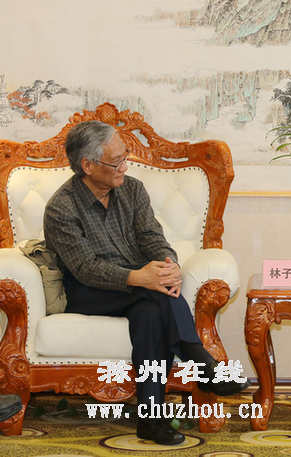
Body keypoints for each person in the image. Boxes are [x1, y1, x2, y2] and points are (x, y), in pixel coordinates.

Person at [44, 120, 249, 446]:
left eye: (125, 157)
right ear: (88, 165)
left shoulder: (132, 190)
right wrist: (139, 277)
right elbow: (85, 268)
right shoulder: (61, 208)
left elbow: (152, 237)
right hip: (88, 291)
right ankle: (200, 360)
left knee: (152, 311)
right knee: (153, 295)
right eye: (117, 162)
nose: (125, 167)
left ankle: (151, 420)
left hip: (140, 290)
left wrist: (169, 266)